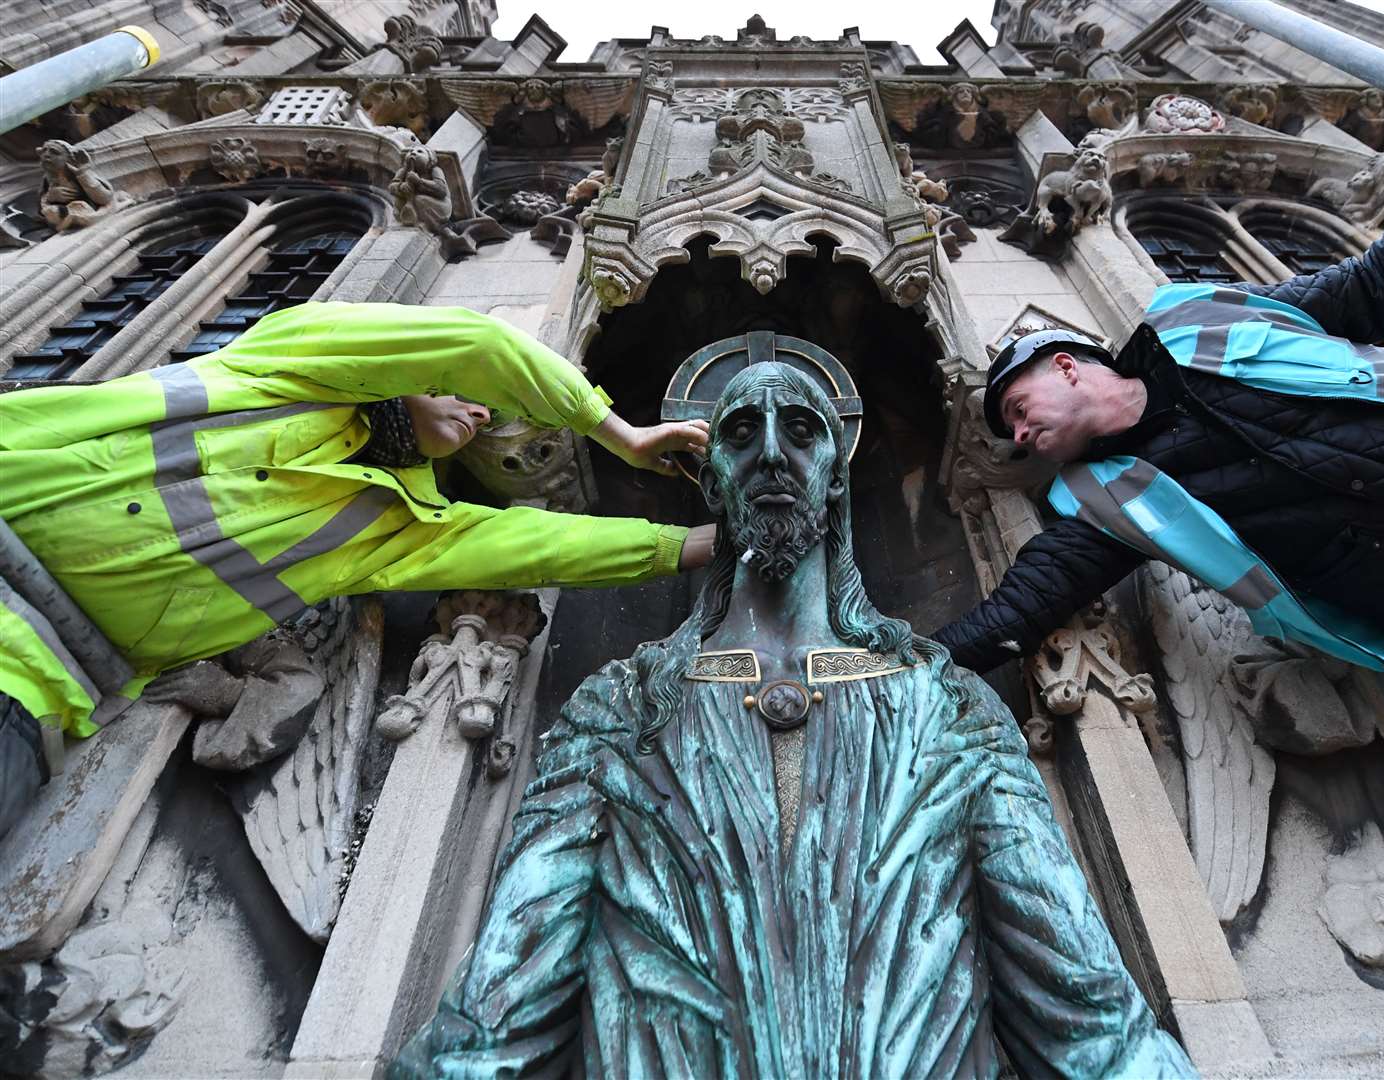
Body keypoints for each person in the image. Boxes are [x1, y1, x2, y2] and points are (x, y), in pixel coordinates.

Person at [392, 361, 1195, 1078]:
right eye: (740, 433)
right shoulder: (620, 710)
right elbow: (499, 1003)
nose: (771, 452)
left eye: (801, 430)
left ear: (835, 478)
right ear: (712, 482)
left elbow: (1082, 1003)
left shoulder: (943, 704)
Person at [932, 58, 1384, 735]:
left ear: (1066, 366)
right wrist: (899, 667)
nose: (1018, 437)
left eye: (1017, 409)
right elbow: (1022, 604)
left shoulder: (1205, 321)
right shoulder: (1105, 502)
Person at [0, 300, 715, 837]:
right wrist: (620, 437)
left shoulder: (397, 526)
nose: (472, 407)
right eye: (459, 393)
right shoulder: (289, 364)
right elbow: (479, 344)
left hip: (34, 684)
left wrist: (694, 547)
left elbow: (541, 547)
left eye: (483, 410)